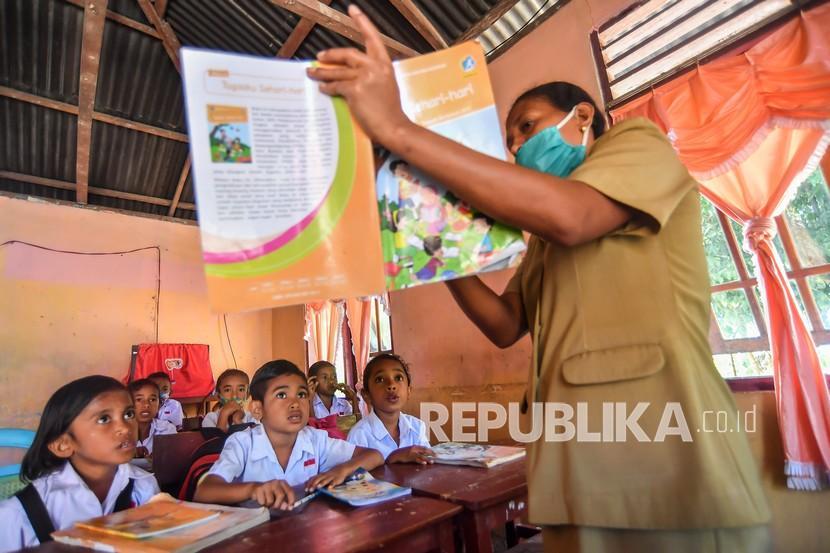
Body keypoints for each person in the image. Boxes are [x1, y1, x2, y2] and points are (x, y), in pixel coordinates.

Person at [308, 6, 771, 552]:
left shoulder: (637, 145)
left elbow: (573, 216)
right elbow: (504, 325)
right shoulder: (544, 242)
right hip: (576, 462)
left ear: (582, 117)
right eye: (510, 140)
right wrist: (437, 251)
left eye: (526, 127)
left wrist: (400, 132)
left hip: (667, 452)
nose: (518, 148)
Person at [193, 360, 384, 510]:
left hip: (303, 528)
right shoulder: (242, 443)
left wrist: (342, 470)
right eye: (282, 395)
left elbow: (374, 455)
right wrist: (253, 489)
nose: (295, 403)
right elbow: (204, 492)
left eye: (301, 395)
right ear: (258, 409)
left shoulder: (315, 439)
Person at [0, 376, 159, 550]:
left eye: (128, 414)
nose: (125, 428)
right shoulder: (19, 514)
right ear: (63, 445)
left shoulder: (143, 486)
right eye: (104, 419)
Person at [347, 354, 433, 464]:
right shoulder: (359, 435)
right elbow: (354, 477)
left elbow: (428, 464)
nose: (391, 385)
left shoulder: (417, 427)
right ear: (366, 395)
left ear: (408, 391)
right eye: (380, 379)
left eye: (398, 378)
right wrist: (392, 459)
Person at [128, 379, 176, 458]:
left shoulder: (167, 429)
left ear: (159, 404)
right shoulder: (119, 432)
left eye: (152, 399)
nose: (146, 404)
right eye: (139, 399)